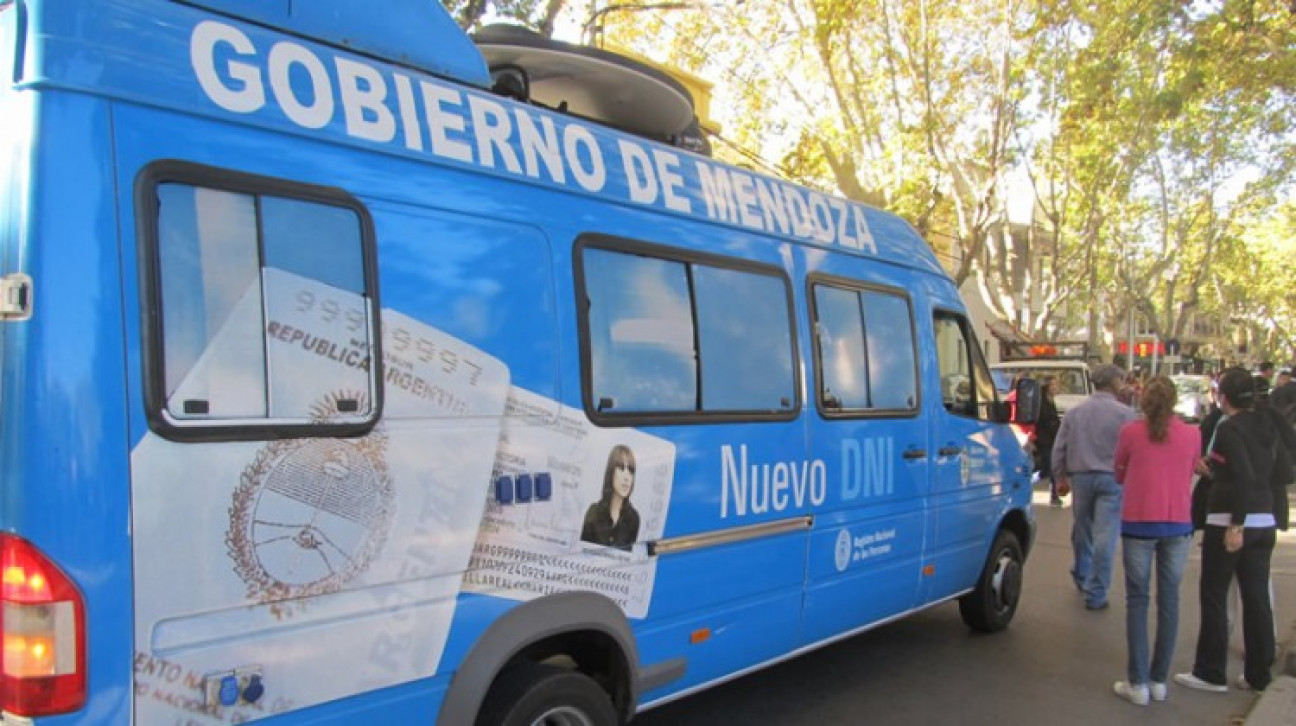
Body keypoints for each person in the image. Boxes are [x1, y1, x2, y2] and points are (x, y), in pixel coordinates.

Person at [1176, 368, 1292, 694]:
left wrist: (1236, 523)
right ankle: (1258, 673)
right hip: (1264, 519)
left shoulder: (1229, 429)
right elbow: (1281, 469)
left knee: (1214, 594)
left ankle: (1210, 671)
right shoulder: (1267, 425)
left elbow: (1241, 475)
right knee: (1256, 597)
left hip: (1229, 519)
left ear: (1223, 397)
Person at [1111, 376, 1200, 706]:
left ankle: (1138, 682)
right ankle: (1159, 678)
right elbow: (1191, 468)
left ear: (1143, 401)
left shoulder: (1130, 433)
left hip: (1138, 523)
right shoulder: (1193, 435)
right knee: (1170, 600)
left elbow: (1118, 473)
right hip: (1177, 523)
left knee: (1137, 600)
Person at [1052, 364, 1136, 610]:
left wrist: (1059, 479)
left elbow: (1060, 448)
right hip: (1113, 478)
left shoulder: (1075, 413)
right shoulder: (1125, 414)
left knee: (1082, 528)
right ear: (1113, 384)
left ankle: (1082, 572)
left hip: (1081, 477)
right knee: (1105, 535)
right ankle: (1096, 591)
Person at [581, 444, 641, 549]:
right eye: (621, 468)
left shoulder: (633, 519)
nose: (627, 477)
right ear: (611, 471)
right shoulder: (593, 512)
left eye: (631, 471)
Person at [1033, 376, 1063, 506]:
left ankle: (1053, 494)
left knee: (1047, 468)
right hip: (1044, 439)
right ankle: (1054, 495)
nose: (1056, 388)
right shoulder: (1042, 403)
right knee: (1050, 467)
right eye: (1053, 385)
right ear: (1047, 388)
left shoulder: (1051, 402)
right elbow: (1043, 422)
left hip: (1052, 439)